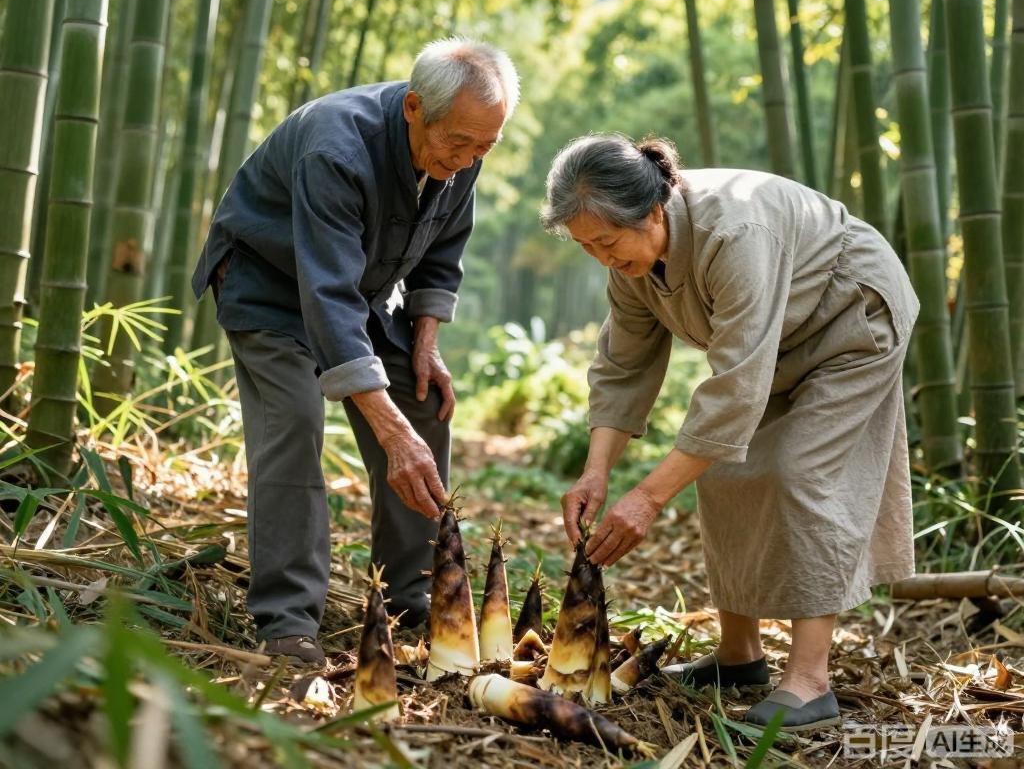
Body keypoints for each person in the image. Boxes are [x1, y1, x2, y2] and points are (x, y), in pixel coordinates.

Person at [542, 133, 918, 731]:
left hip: (851, 321)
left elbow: (737, 385)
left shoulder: (736, 232)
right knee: (721, 470)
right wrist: (597, 471)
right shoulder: (631, 263)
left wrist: (648, 496)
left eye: (608, 241)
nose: (603, 258)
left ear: (652, 210)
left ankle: (810, 680)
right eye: (588, 247)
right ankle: (739, 655)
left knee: (799, 472)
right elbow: (623, 366)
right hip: (778, 343)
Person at [192, 38, 519, 664]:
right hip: (270, 286)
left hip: (359, 294)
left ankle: (412, 596)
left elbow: (444, 248)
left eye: (486, 146)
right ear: (415, 108)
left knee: (422, 400)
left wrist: (426, 342)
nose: (471, 158)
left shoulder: (463, 142)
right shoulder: (335, 145)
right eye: (460, 143)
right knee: (293, 420)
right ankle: (287, 619)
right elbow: (327, 296)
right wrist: (389, 433)